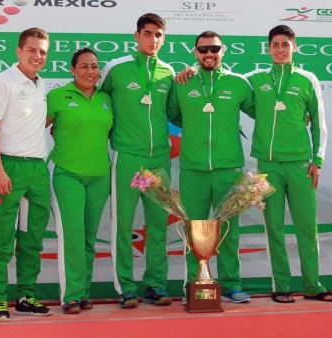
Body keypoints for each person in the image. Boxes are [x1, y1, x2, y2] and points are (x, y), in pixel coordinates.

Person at [245, 25, 332, 303]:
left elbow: (319, 124)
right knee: (273, 227)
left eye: (285, 44)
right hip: (268, 167)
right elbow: (225, 83)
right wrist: (190, 72)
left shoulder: (307, 79)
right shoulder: (255, 79)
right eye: (275, 44)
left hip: (301, 165)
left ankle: (313, 285)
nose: (280, 49)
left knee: (305, 227)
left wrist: (318, 160)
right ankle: (282, 286)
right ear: (268, 48)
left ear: (294, 47)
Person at [168, 31, 255, 305]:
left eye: (214, 48)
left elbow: (262, 113)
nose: (209, 54)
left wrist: (302, 114)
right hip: (192, 168)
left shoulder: (239, 84)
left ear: (223, 50)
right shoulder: (182, 83)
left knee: (228, 229)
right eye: (203, 49)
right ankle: (194, 285)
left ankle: (231, 285)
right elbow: (171, 114)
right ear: (195, 52)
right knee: (193, 230)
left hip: (228, 167)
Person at [99, 13, 174, 308]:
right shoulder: (115, 69)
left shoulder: (168, 72)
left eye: (158, 35)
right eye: (147, 33)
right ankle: (126, 287)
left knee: (158, 225)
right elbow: (95, 99)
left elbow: (175, 111)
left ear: (163, 38)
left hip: (158, 158)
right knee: (123, 224)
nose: (152, 39)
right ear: (136, 35)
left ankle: (155, 284)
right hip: (126, 155)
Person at [0, 28, 52, 322]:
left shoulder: (43, 85)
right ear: (19, 51)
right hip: (7, 167)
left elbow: (40, 122)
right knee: (1, 240)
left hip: (37, 169)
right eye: (32, 50)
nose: (37, 57)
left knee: (31, 239)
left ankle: (26, 296)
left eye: (43, 52)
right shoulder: (2, 81)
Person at [46, 48, 113, 314]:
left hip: (100, 177)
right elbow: (34, 128)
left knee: (88, 238)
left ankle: (84, 292)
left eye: (94, 67)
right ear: (72, 70)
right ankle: (71, 295)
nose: (90, 72)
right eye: (83, 67)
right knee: (71, 237)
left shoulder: (107, 99)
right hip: (67, 175)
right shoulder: (57, 96)